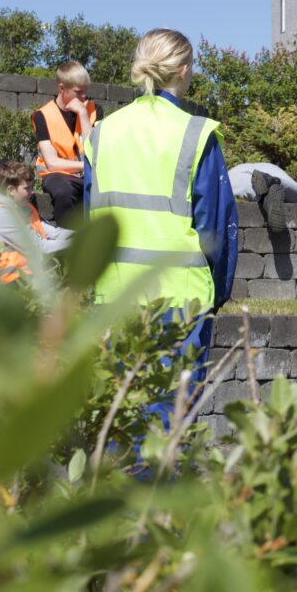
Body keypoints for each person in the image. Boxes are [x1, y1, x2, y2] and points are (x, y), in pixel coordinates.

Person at [83, 28, 238, 417]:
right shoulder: (195, 134)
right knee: (170, 421)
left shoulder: (101, 134)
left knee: (119, 419)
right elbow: (217, 228)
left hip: (113, 295)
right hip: (180, 300)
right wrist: (218, 293)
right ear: (184, 70)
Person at [0, 160, 74, 283]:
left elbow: (50, 232)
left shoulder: (18, 203)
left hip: (28, 278)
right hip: (9, 285)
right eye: (27, 188)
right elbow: (41, 248)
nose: (32, 192)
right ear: (11, 190)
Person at [32, 61, 102, 228]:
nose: (84, 96)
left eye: (85, 91)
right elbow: (52, 163)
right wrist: (86, 166)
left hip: (88, 173)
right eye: (78, 92)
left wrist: (83, 114)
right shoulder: (42, 116)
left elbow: (93, 148)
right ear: (62, 88)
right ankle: (66, 238)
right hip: (58, 174)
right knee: (63, 191)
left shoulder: (94, 110)